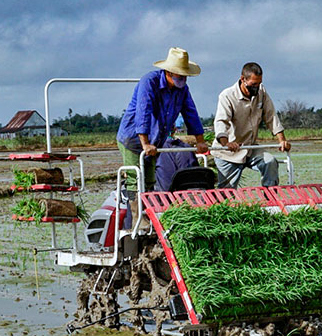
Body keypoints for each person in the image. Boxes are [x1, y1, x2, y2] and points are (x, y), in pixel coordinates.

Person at [116, 47, 209, 217]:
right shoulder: (149, 82)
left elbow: (191, 113)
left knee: (150, 180)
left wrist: (200, 140)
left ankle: (150, 218)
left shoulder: (182, 90)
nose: (182, 79)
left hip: (154, 141)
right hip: (133, 139)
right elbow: (143, 112)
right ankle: (137, 220)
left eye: (184, 76)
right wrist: (145, 143)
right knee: (134, 179)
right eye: (179, 75)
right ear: (168, 72)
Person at [212, 62, 291, 188]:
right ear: (243, 79)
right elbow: (221, 121)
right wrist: (226, 143)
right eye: (253, 84)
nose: (257, 87)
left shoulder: (261, 92)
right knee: (226, 192)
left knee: (270, 162)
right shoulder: (227, 96)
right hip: (229, 152)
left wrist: (282, 140)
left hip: (250, 148)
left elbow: (271, 116)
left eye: (259, 84)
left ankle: (270, 200)